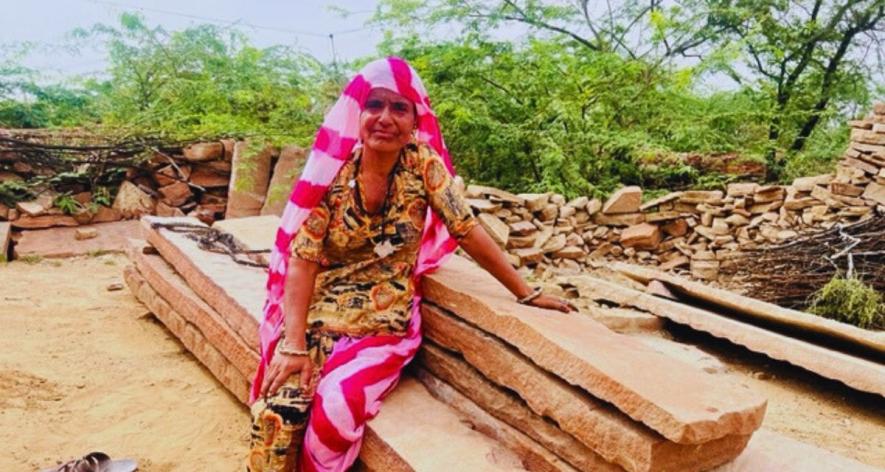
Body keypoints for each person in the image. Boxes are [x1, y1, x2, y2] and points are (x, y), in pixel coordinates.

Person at [247, 57, 577, 472]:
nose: (385, 118)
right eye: (375, 106)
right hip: (314, 319)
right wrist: (293, 347)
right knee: (277, 416)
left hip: (381, 325)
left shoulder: (423, 165)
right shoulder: (332, 174)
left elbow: (466, 228)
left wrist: (526, 292)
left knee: (334, 409)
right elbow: (303, 259)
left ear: (414, 118)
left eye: (399, 108)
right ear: (359, 114)